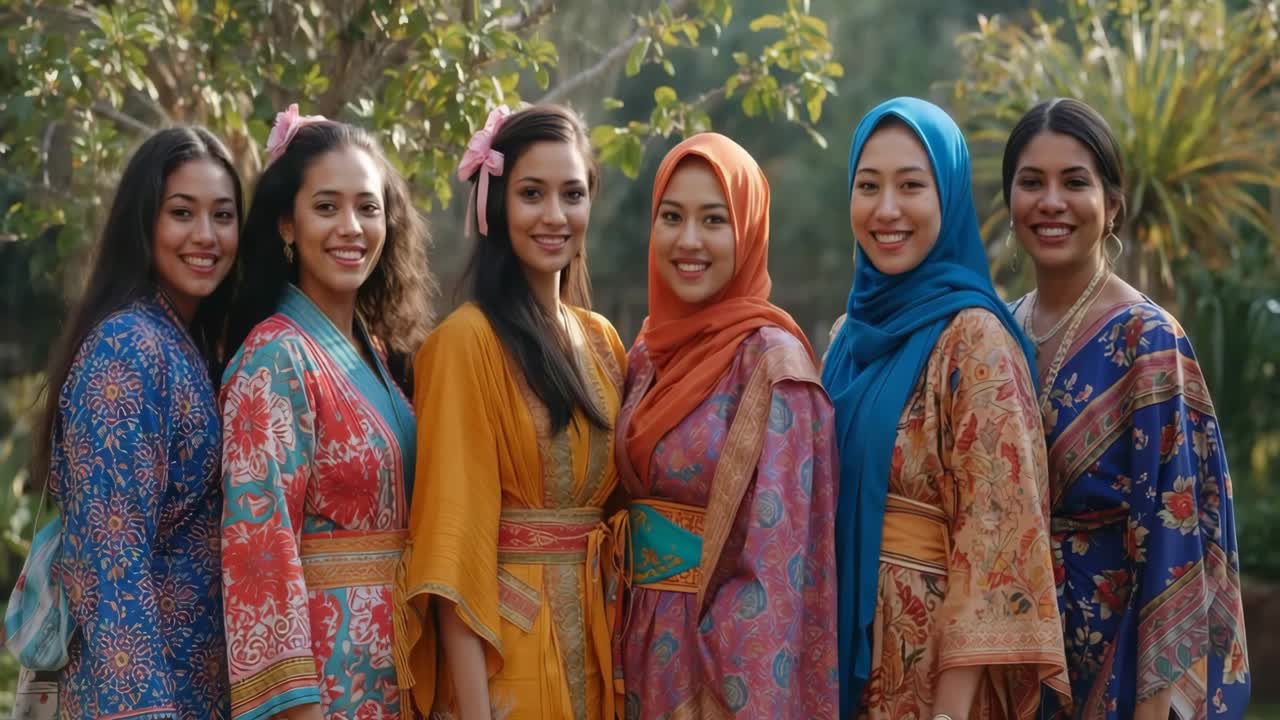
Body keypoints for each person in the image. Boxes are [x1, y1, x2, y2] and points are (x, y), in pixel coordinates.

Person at [823, 97, 1070, 719]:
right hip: (836, 655)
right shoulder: (843, 341)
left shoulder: (974, 339)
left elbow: (996, 535)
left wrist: (950, 712)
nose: (886, 210)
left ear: (949, 196)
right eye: (868, 185)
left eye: (911, 185)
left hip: (932, 676)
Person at [1004, 97, 1251, 720]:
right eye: (1032, 182)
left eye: (1075, 182)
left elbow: (1176, 538)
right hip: (1010, 656)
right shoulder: (998, 330)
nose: (1051, 202)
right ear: (1009, 202)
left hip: (1118, 664)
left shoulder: (1149, 340)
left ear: (1112, 203)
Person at [395, 105, 627, 720]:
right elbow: (452, 551)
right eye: (531, 194)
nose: (554, 215)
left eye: (572, 194)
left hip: (599, 647)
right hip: (509, 662)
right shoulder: (463, 343)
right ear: (495, 207)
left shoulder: (602, 341)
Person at [613, 132, 840, 718]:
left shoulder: (775, 368)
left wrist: (728, 692)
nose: (688, 241)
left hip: (709, 668)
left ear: (749, 231)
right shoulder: (644, 355)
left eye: (714, 220)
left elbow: (781, 567)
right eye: (672, 216)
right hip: (623, 649)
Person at [220, 105, 434, 720]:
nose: (351, 227)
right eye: (327, 207)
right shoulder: (275, 357)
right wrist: (296, 708)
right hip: (326, 681)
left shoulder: (379, 356)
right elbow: (258, 552)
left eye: (368, 208)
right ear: (287, 225)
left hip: (401, 663)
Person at [34, 126, 242, 718]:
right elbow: (110, 560)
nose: (205, 236)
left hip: (198, 692)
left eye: (222, 216)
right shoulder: (127, 349)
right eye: (182, 213)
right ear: (142, 222)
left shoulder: (187, 344)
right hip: (145, 699)